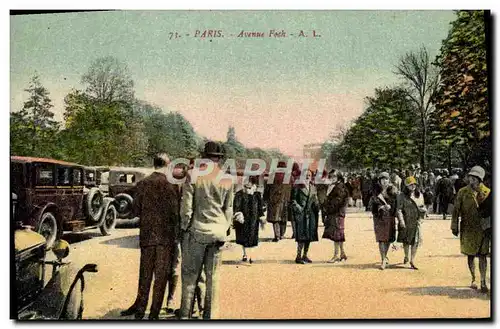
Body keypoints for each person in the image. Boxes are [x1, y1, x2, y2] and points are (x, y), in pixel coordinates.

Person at [179, 141, 234, 319]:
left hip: (197, 231)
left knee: (190, 278)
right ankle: (210, 318)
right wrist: (224, 229)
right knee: (213, 278)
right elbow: (229, 208)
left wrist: (184, 228)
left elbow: (186, 209)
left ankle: (185, 317)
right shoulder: (227, 178)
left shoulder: (193, 175)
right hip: (218, 232)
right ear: (219, 159)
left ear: (204, 156)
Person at [121, 154, 180, 320]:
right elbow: (176, 213)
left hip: (147, 236)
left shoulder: (143, 183)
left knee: (145, 275)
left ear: (153, 164)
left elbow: (135, 211)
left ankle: (139, 312)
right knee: (160, 278)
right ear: (167, 166)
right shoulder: (173, 185)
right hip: (166, 239)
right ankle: (153, 314)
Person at [451, 166, 491, 293]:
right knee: (470, 255)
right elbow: (456, 210)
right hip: (468, 227)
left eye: (474, 178)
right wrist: (454, 225)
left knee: (483, 255)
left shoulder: (488, 192)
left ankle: (483, 281)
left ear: (480, 179)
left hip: (483, 228)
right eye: (470, 177)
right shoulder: (462, 192)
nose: (471, 180)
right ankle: (474, 278)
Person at [233, 176, 266, 263]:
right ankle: (245, 254)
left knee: (252, 237)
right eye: (245, 187)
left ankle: (251, 255)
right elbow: (236, 206)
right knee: (243, 238)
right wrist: (238, 215)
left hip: (253, 220)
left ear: (254, 186)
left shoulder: (257, 195)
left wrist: (262, 218)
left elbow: (260, 208)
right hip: (243, 220)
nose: (247, 189)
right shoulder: (239, 194)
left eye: (249, 187)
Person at [396, 176, 426, 270]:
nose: (413, 186)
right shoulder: (401, 196)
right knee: (406, 241)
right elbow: (399, 209)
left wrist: (423, 211)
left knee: (416, 241)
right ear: (406, 186)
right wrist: (401, 221)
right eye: (410, 185)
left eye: (414, 184)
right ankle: (406, 256)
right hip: (406, 220)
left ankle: (412, 260)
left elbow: (423, 206)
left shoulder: (419, 195)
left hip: (416, 220)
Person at [291, 169, 320, 264]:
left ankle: (305, 255)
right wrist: (299, 209)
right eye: (306, 175)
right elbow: (293, 201)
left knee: (309, 236)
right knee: (301, 236)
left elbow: (315, 200)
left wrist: (318, 206)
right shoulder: (297, 187)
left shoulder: (313, 187)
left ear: (311, 177)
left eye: (309, 175)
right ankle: (298, 256)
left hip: (311, 214)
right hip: (301, 215)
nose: (307, 177)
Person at [371, 172, 398, 270]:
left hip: (390, 217)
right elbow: (372, 205)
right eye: (382, 179)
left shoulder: (394, 191)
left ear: (389, 180)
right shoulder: (375, 191)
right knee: (381, 239)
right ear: (379, 181)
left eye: (386, 179)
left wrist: (391, 207)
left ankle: (385, 256)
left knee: (389, 239)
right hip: (379, 218)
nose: (384, 181)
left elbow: (397, 205)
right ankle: (383, 259)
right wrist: (380, 207)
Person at [322, 170, 349, 263]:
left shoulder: (339, 187)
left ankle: (336, 255)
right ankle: (342, 254)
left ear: (338, 177)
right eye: (331, 176)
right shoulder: (337, 186)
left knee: (336, 235)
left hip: (336, 214)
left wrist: (328, 208)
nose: (332, 178)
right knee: (339, 235)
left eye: (334, 176)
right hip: (338, 213)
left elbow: (337, 202)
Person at [264, 161, 292, 242]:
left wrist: (265, 199)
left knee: (275, 219)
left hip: (274, 200)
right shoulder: (289, 176)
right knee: (283, 218)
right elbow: (292, 189)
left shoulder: (272, 175)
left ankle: (277, 235)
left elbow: (267, 189)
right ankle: (282, 234)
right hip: (286, 200)